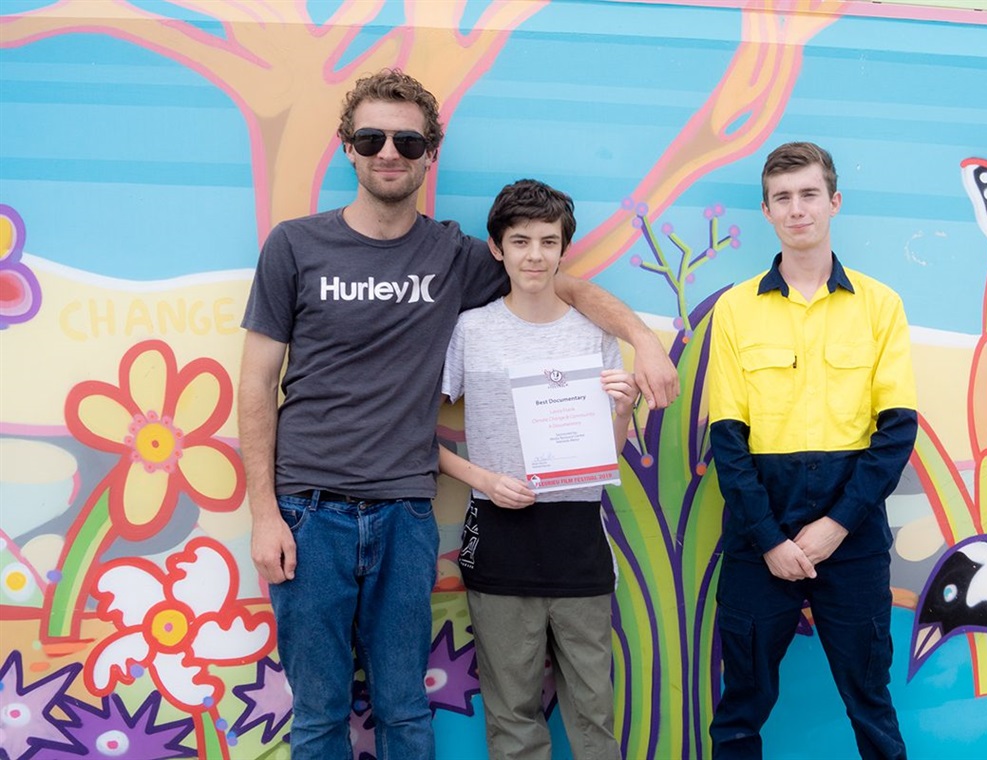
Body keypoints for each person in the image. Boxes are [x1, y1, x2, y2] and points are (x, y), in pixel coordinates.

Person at [237, 69, 678, 760]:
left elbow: (556, 281)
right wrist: (265, 514)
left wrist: (644, 341)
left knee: (406, 710)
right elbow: (257, 385)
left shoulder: (455, 255)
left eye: (408, 141)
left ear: (429, 153)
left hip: (407, 514)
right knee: (319, 714)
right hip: (308, 510)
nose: (390, 151)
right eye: (372, 137)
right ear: (347, 147)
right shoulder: (294, 246)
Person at [706, 141, 917, 760]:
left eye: (809, 195)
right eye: (783, 199)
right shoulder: (736, 309)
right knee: (740, 705)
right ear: (766, 211)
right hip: (756, 530)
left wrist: (835, 526)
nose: (797, 210)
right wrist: (770, 540)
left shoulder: (881, 306)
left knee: (870, 703)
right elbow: (728, 443)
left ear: (834, 203)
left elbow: (895, 432)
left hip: (852, 531)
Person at [439, 179, 632, 760]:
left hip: (578, 537)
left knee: (595, 713)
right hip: (500, 536)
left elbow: (607, 453)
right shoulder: (471, 330)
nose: (534, 255)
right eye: (520, 241)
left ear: (563, 248)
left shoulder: (595, 333)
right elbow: (413, 432)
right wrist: (483, 480)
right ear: (496, 249)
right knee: (512, 714)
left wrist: (622, 409)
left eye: (548, 241)